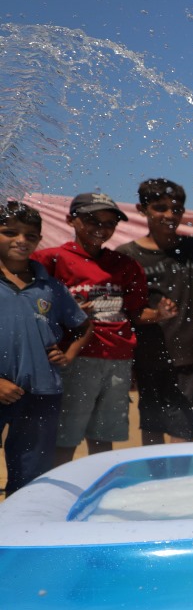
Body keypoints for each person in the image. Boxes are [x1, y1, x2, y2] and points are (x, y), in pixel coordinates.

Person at [38, 192, 153, 464]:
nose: (101, 228)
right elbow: (34, 307)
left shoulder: (125, 265)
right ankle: (58, 497)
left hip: (118, 360)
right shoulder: (50, 259)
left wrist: (160, 314)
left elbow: (136, 312)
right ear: (71, 220)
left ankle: (97, 492)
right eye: (92, 220)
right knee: (66, 435)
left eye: (109, 223)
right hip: (75, 359)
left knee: (104, 434)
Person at [116, 178, 193, 445]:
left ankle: (177, 487)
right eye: (160, 208)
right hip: (146, 355)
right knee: (151, 428)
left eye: (176, 209)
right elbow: (120, 310)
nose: (170, 215)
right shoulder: (126, 256)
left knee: (183, 432)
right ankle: (156, 486)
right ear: (142, 209)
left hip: (189, 354)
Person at [0, 200, 89, 493]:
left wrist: (69, 353)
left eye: (30, 235)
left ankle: (20, 531)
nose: (21, 241)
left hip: (41, 392)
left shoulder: (50, 287)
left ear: (39, 239)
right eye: (10, 232)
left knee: (31, 475)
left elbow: (84, 326)